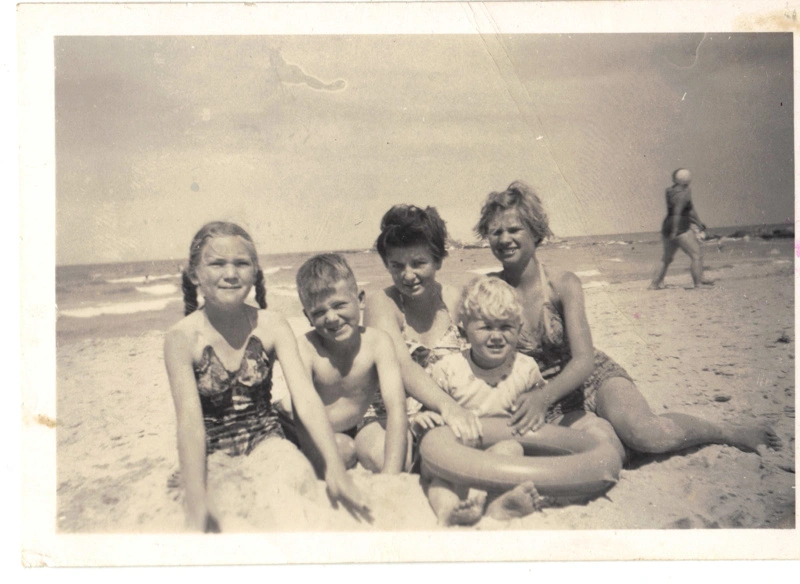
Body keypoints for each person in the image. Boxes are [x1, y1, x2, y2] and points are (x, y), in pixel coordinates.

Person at [476, 181, 782, 457]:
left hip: (591, 378)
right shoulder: (487, 292)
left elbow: (583, 361)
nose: (505, 238)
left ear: (535, 230)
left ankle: (727, 431)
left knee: (646, 435)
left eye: (514, 229)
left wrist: (542, 399)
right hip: (541, 397)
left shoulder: (562, 285)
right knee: (601, 448)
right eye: (496, 231)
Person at [164, 221, 368, 532]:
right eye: (217, 263)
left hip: (267, 441)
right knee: (226, 518)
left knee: (295, 491)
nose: (231, 274)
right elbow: (189, 423)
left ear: (256, 272)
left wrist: (334, 468)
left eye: (242, 263)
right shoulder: (181, 338)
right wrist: (195, 496)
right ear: (195, 274)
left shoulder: (272, 325)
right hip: (212, 451)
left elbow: (305, 398)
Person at [417, 276, 549, 526]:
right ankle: (448, 512)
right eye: (486, 327)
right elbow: (430, 411)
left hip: (497, 452)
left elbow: (538, 411)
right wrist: (424, 418)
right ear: (464, 328)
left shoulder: (525, 369)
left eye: (505, 327)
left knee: (513, 450)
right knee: (440, 479)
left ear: (519, 329)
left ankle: (496, 505)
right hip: (455, 453)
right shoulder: (448, 369)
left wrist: (535, 408)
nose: (496, 336)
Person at [362, 205, 483, 453]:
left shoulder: (457, 300)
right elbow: (403, 367)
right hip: (393, 418)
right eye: (397, 266)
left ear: (437, 260)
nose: (408, 275)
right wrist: (449, 407)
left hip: (446, 417)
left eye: (418, 263)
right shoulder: (381, 304)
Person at [293, 253, 410, 474]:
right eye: (319, 312)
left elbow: (396, 406)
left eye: (339, 305)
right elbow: (302, 416)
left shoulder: (378, 343)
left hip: (362, 423)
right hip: (320, 431)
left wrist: (391, 477)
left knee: (392, 459)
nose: (332, 318)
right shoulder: (305, 349)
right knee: (342, 452)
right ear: (307, 316)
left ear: (361, 299)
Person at [650, 168, 714, 289]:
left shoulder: (669, 191)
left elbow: (688, 209)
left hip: (667, 226)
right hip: (679, 226)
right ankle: (698, 283)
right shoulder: (685, 192)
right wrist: (675, 230)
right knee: (696, 255)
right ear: (688, 179)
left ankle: (654, 284)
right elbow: (679, 211)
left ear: (675, 179)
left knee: (666, 258)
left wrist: (698, 223)